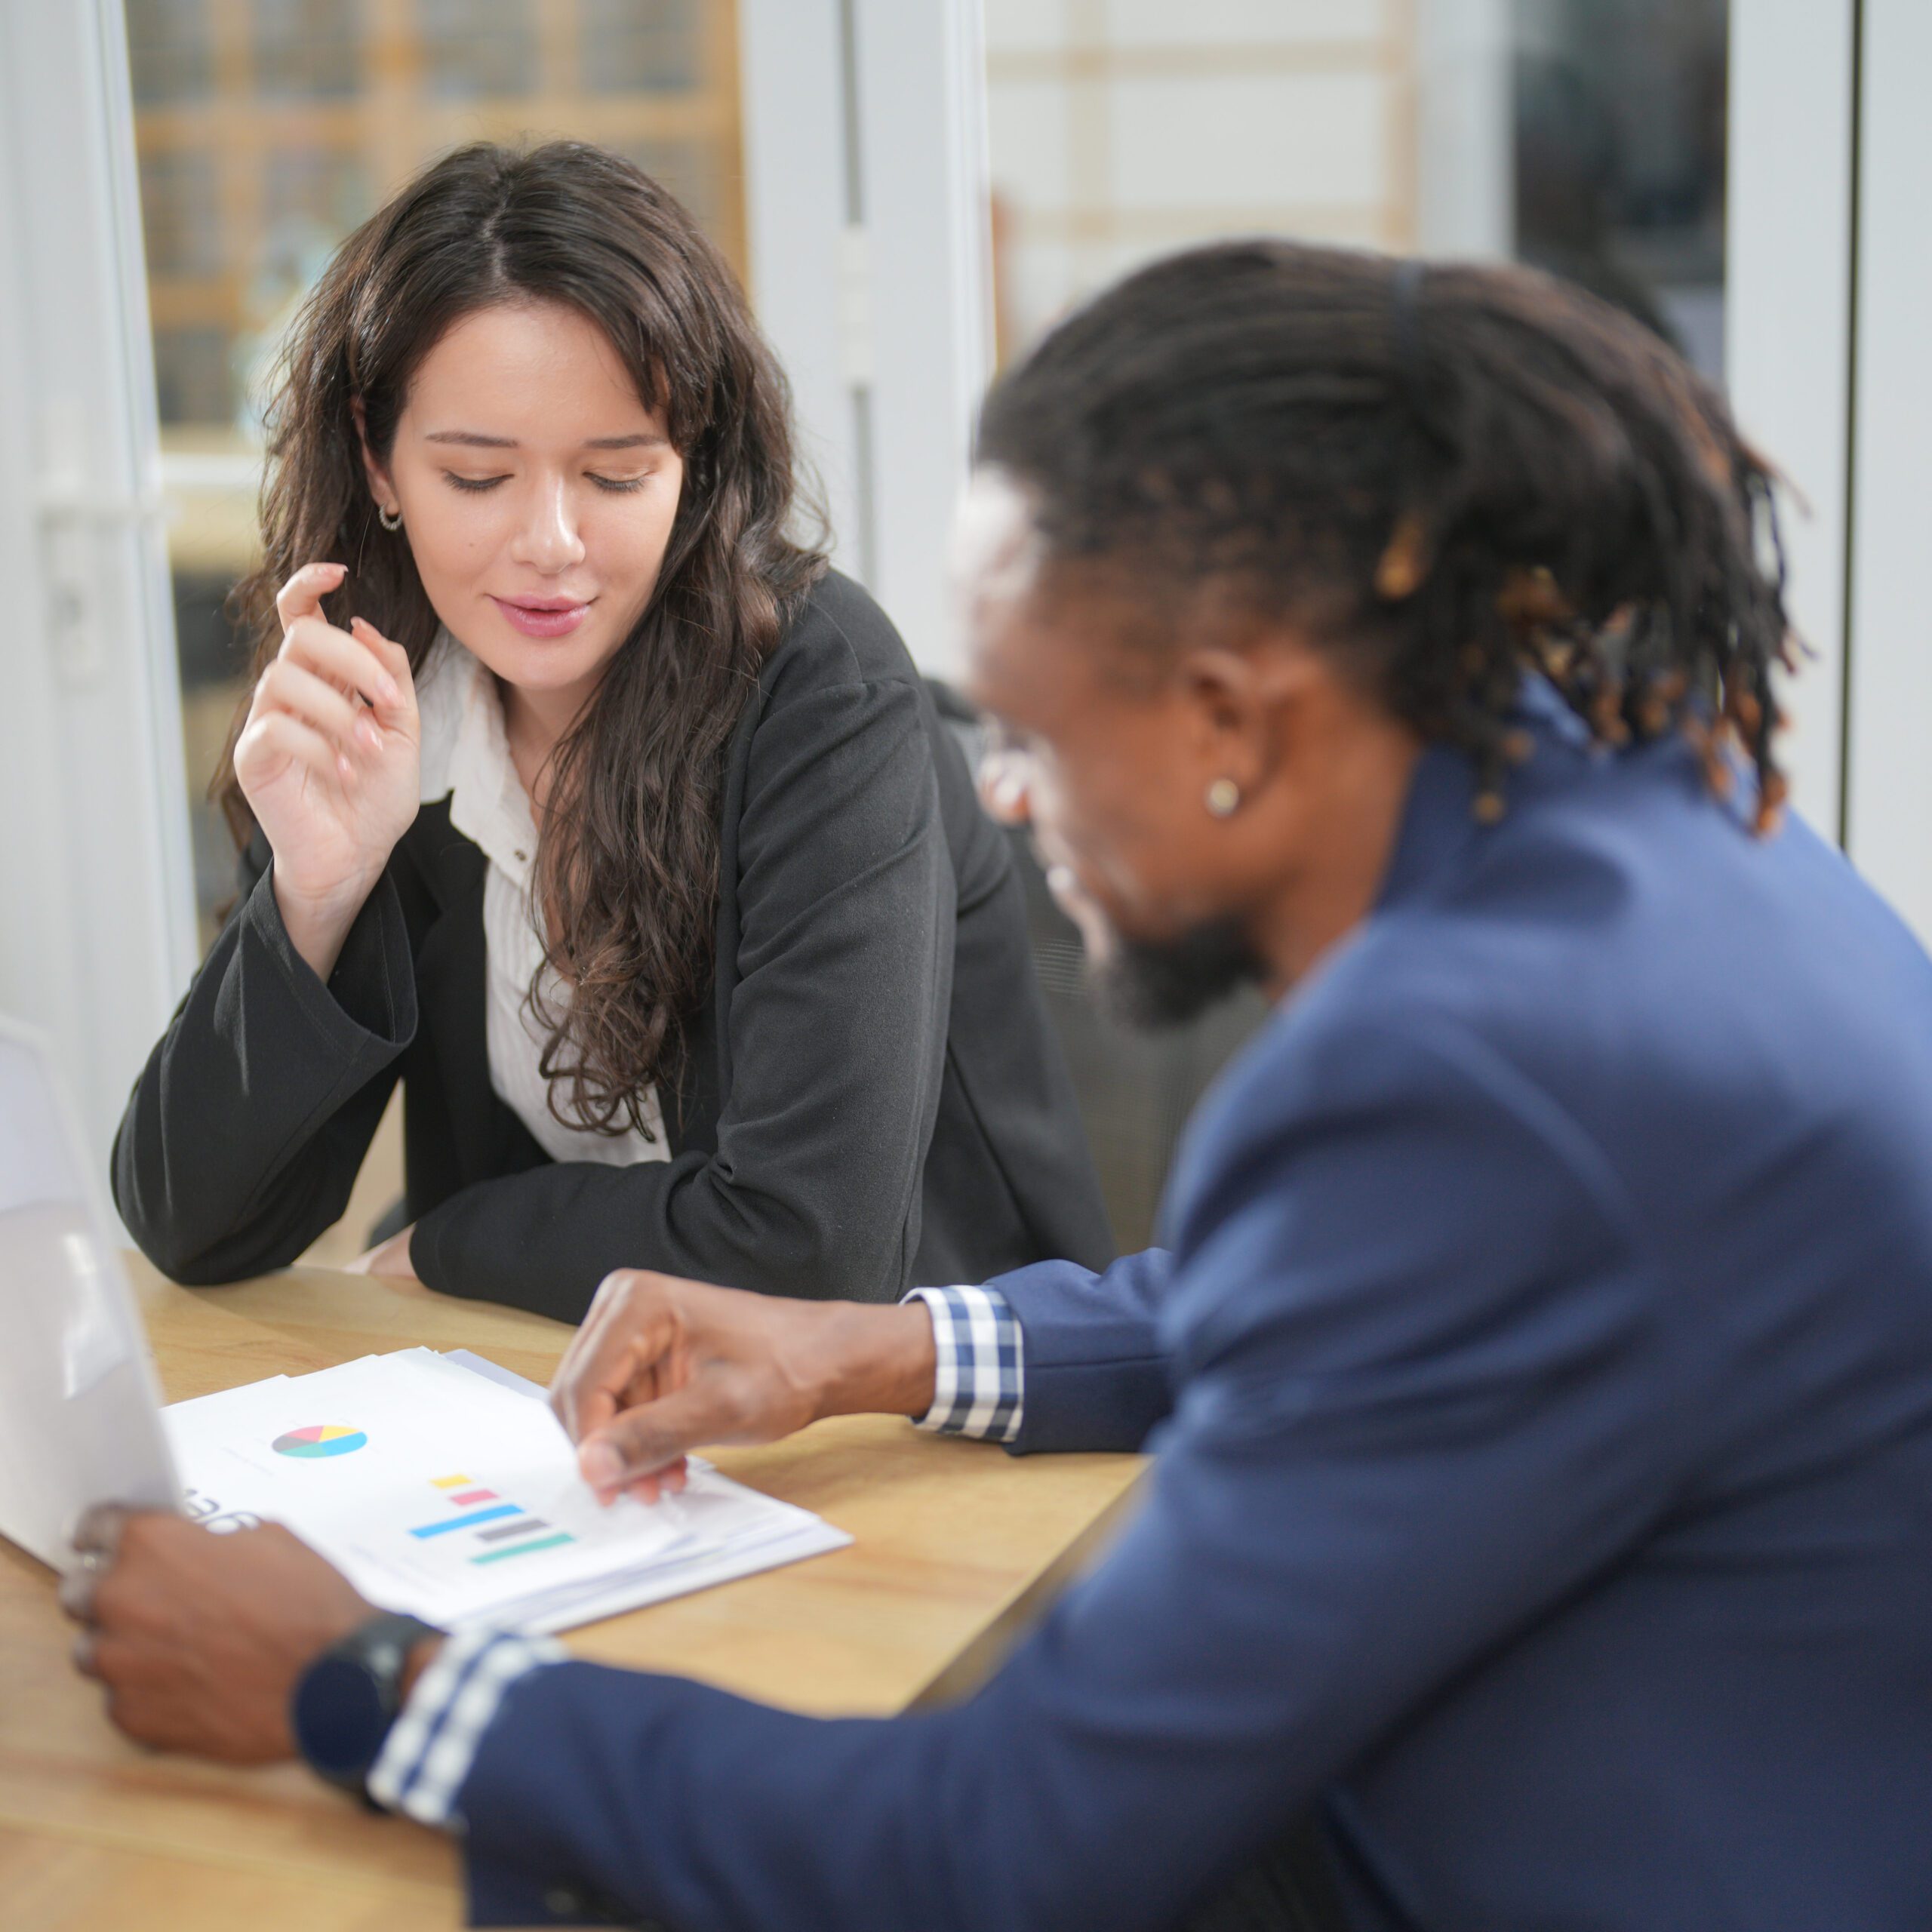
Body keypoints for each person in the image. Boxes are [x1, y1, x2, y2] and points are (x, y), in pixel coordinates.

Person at [69, 242, 1932, 1930]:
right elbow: (1377, 1298)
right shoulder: (1662, 808)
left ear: (1230, 714)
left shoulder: (1462, 1068)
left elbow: (996, 1845)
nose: (1008, 806)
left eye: (1036, 732)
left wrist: (370, 1679)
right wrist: (872, 1351)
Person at [111, 141, 1111, 1321]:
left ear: (695, 466)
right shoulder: (388, 694)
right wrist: (316, 899)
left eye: (617, 476)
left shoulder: (820, 690)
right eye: (478, 478)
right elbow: (194, 1224)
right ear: (378, 459)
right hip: (559, 1380)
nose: (551, 543)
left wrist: (450, 1240)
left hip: (903, 1408)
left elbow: (810, 1250)